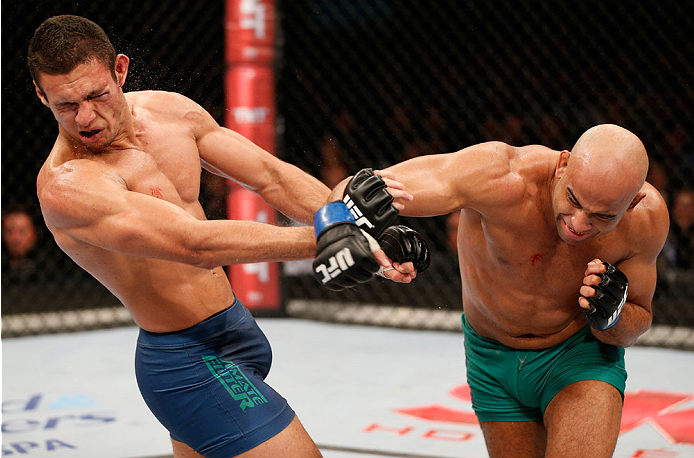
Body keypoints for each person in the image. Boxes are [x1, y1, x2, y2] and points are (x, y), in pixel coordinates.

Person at [28, 15, 415, 458]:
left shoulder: (171, 113)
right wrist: (331, 235)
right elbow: (192, 243)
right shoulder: (69, 185)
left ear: (120, 70)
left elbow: (271, 177)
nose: (86, 118)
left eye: (97, 95)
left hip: (234, 329)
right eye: (65, 105)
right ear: (42, 95)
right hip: (187, 361)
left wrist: (364, 227)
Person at [328, 124, 670, 457]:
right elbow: (357, 192)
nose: (578, 223)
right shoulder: (501, 176)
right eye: (573, 199)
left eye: (602, 216)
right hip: (490, 356)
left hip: (579, 357)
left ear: (634, 202)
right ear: (563, 164)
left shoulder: (646, 220)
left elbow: (636, 324)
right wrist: (367, 241)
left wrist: (612, 316)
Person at [1, 208, 40, 284]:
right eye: (9, 231)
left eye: (22, 232)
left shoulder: (48, 267)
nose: (15, 239)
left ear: (34, 233)